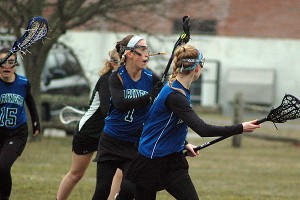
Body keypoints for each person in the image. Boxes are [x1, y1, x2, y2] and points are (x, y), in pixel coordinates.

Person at [126, 44, 261, 200]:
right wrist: (240, 127)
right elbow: (203, 129)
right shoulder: (175, 96)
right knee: (127, 192)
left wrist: (184, 143)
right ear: (197, 69)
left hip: (172, 161)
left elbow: (166, 124)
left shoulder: (179, 89)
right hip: (151, 161)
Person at [92, 35, 162, 200]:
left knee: (131, 188)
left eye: (147, 50)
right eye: (142, 50)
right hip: (111, 141)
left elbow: (164, 103)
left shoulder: (152, 78)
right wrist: (148, 97)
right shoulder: (117, 77)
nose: (147, 54)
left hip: (135, 144)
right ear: (130, 54)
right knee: (102, 190)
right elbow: (120, 104)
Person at [56, 49, 123, 200]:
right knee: (76, 174)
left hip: (110, 134)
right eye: (122, 61)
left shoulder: (129, 80)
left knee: (119, 171)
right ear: (113, 63)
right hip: (89, 132)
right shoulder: (106, 80)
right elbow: (107, 111)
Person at [0, 48, 40, 200]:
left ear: (15, 64)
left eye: (11, 62)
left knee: (3, 166)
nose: (7, 66)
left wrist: (36, 122)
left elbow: (30, 101)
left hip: (17, 133)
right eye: (3, 63)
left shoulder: (23, 83)